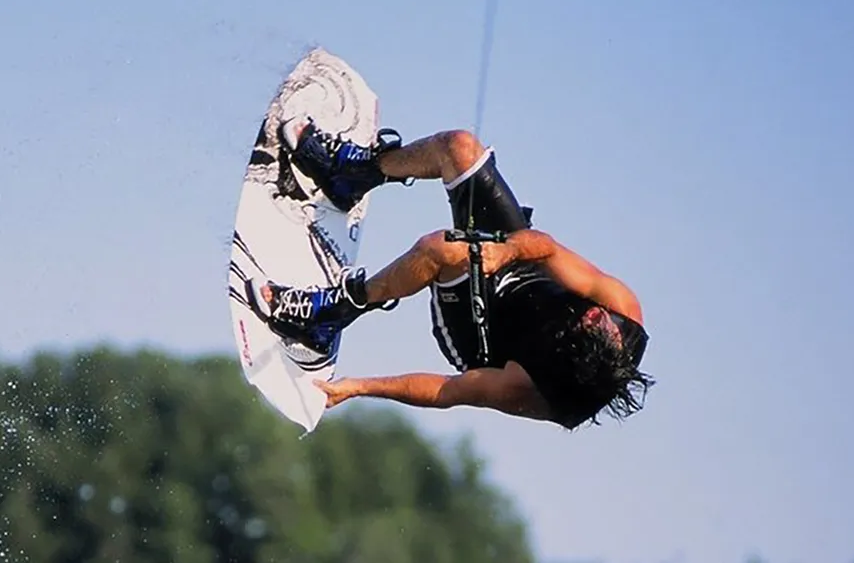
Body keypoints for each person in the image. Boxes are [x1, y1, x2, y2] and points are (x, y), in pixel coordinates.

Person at [246, 116, 654, 429]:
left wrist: (359, 387)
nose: (594, 315)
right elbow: (546, 249)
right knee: (458, 147)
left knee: (441, 249)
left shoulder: (540, 390)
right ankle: (351, 174)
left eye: (590, 325)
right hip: (518, 263)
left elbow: (449, 391)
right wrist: (506, 250)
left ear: (575, 353)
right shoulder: (623, 310)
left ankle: (330, 315)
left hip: (484, 335)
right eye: (600, 319)